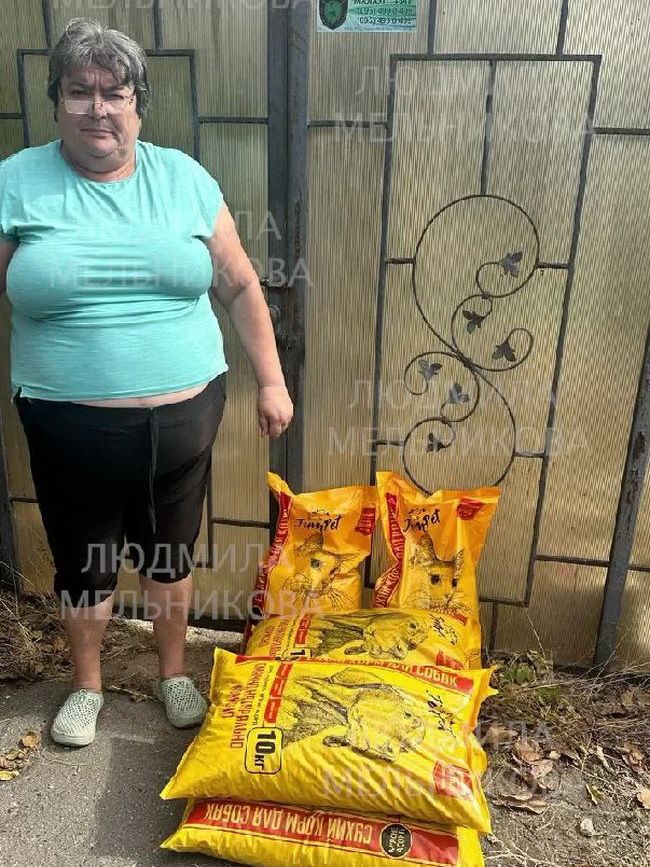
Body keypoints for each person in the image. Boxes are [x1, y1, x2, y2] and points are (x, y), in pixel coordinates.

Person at [0, 18, 293, 747]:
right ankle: (87, 684)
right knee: (84, 562)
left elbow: (239, 284)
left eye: (115, 92)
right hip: (67, 427)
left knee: (169, 553)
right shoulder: (16, 181)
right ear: (57, 100)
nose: (97, 108)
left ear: (138, 103)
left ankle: (172, 672)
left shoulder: (184, 179)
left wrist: (271, 381)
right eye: (79, 91)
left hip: (182, 421)